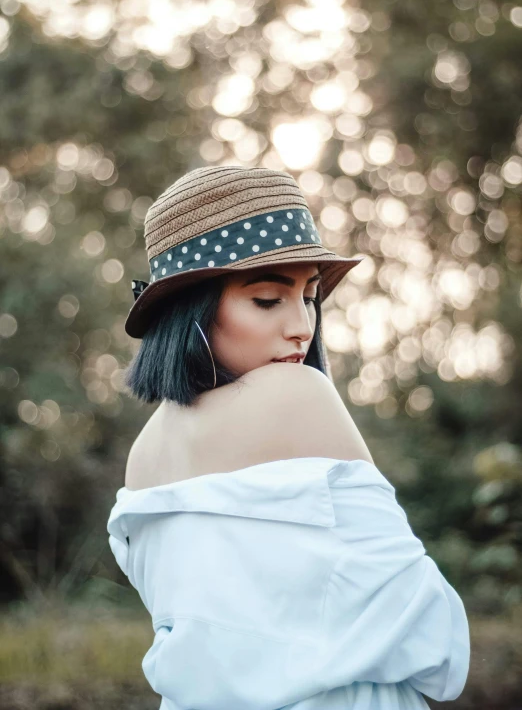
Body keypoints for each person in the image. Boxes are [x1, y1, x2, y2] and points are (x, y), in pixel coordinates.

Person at [107, 165, 470, 710]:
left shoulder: (144, 455)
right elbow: (431, 637)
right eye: (268, 299)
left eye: (310, 296)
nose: (302, 325)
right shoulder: (297, 394)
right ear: (194, 311)